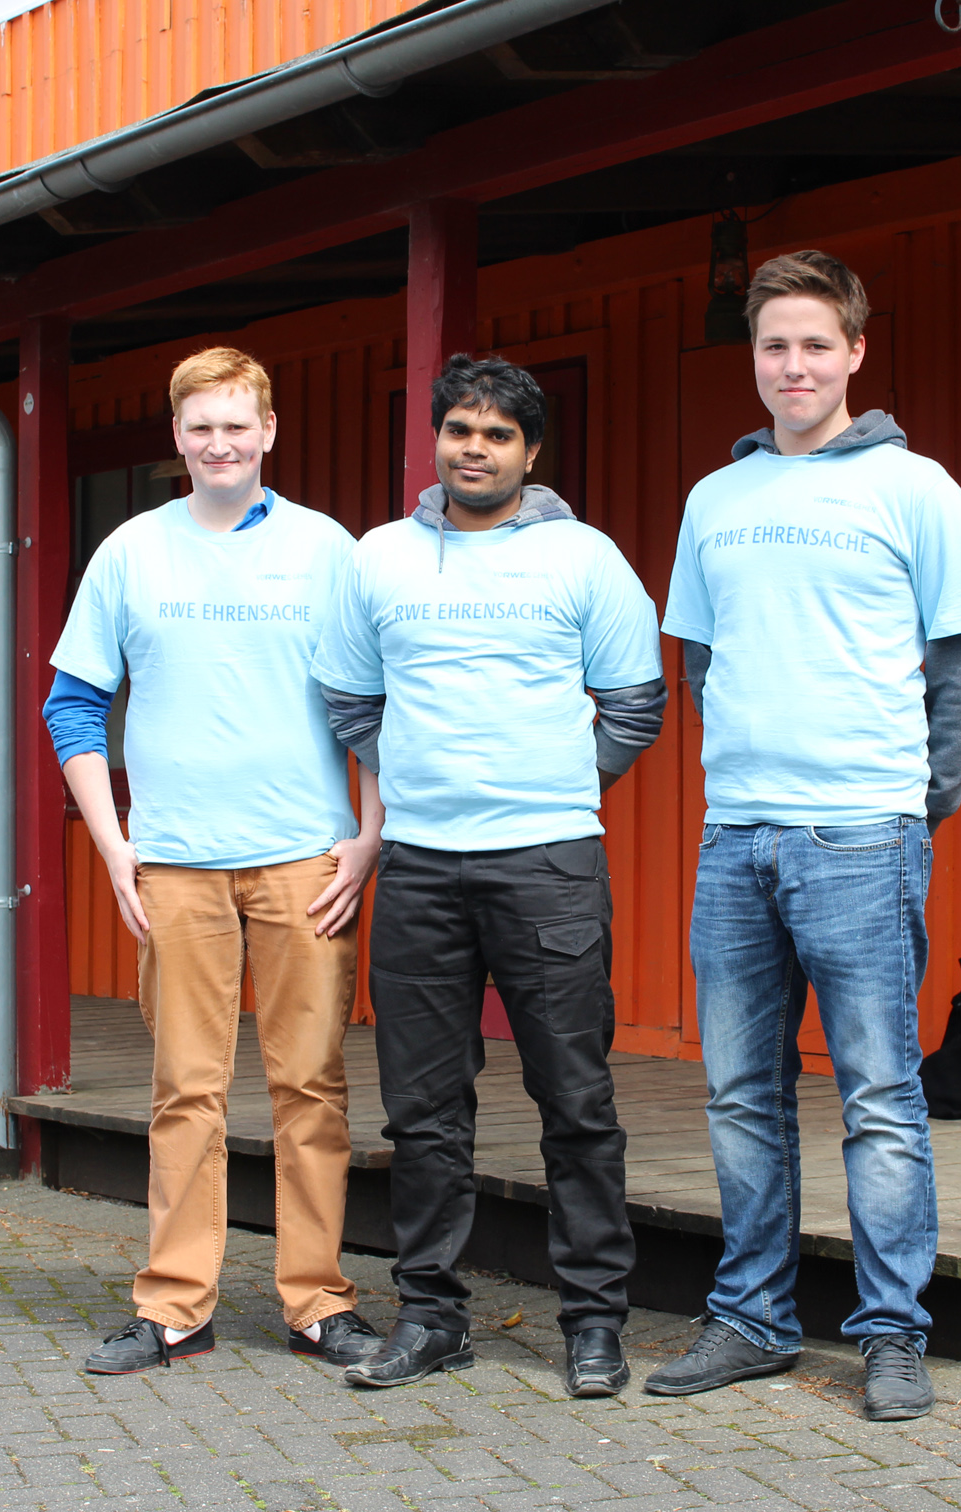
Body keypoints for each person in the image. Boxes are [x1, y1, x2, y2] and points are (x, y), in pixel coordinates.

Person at [650, 251, 961, 1421]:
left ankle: (892, 1337)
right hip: (735, 840)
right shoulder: (715, 500)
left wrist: (916, 796)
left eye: (815, 344)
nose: (793, 365)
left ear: (856, 351)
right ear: (753, 360)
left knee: (879, 1099)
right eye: (774, 346)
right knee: (739, 1095)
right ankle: (751, 1320)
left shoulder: (916, 488)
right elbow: (701, 659)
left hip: (862, 835)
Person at [311, 354, 667, 1398]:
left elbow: (635, 702)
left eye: (498, 433)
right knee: (423, 1110)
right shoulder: (379, 558)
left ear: (531, 451)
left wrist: (558, 782)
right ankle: (431, 1318)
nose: (476, 448)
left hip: (549, 863)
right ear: (436, 440)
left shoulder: (584, 558)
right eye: (459, 429)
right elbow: (349, 696)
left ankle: (594, 1324)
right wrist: (419, 779)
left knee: (576, 1099)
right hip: (419, 867)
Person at [45, 346, 385, 1374]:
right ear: (177, 437)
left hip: (305, 862)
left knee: (310, 1088)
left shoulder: (327, 550)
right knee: (185, 1089)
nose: (220, 444)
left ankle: (317, 1301)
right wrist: (113, 847)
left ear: (269, 431)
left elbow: (377, 705)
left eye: (237, 425)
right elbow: (74, 704)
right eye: (201, 427)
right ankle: (176, 1307)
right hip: (177, 864)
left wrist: (368, 839)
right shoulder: (131, 552)